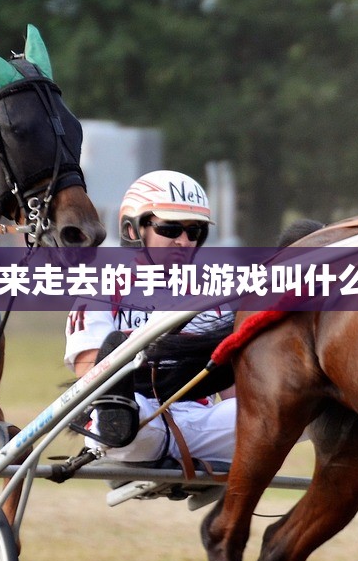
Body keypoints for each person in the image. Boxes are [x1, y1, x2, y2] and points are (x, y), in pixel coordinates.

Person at [65, 170, 236, 506]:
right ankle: (122, 430)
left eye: (195, 231)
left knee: (278, 411)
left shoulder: (218, 295)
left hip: (200, 424)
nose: (184, 241)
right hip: (135, 415)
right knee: (126, 412)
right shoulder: (101, 284)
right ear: (132, 228)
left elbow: (234, 391)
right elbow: (87, 369)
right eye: (170, 229)